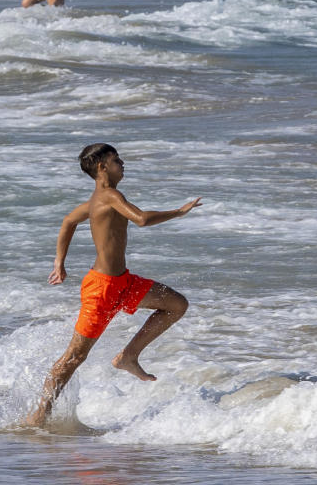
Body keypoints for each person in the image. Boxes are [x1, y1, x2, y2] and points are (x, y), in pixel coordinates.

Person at [23, 143, 202, 427]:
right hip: (102, 289)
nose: (123, 163)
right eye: (116, 160)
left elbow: (69, 221)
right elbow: (142, 219)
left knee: (176, 305)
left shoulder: (97, 199)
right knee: (74, 357)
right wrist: (179, 212)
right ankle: (39, 414)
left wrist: (59, 262)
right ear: (102, 167)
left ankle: (128, 357)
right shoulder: (109, 195)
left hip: (123, 282)